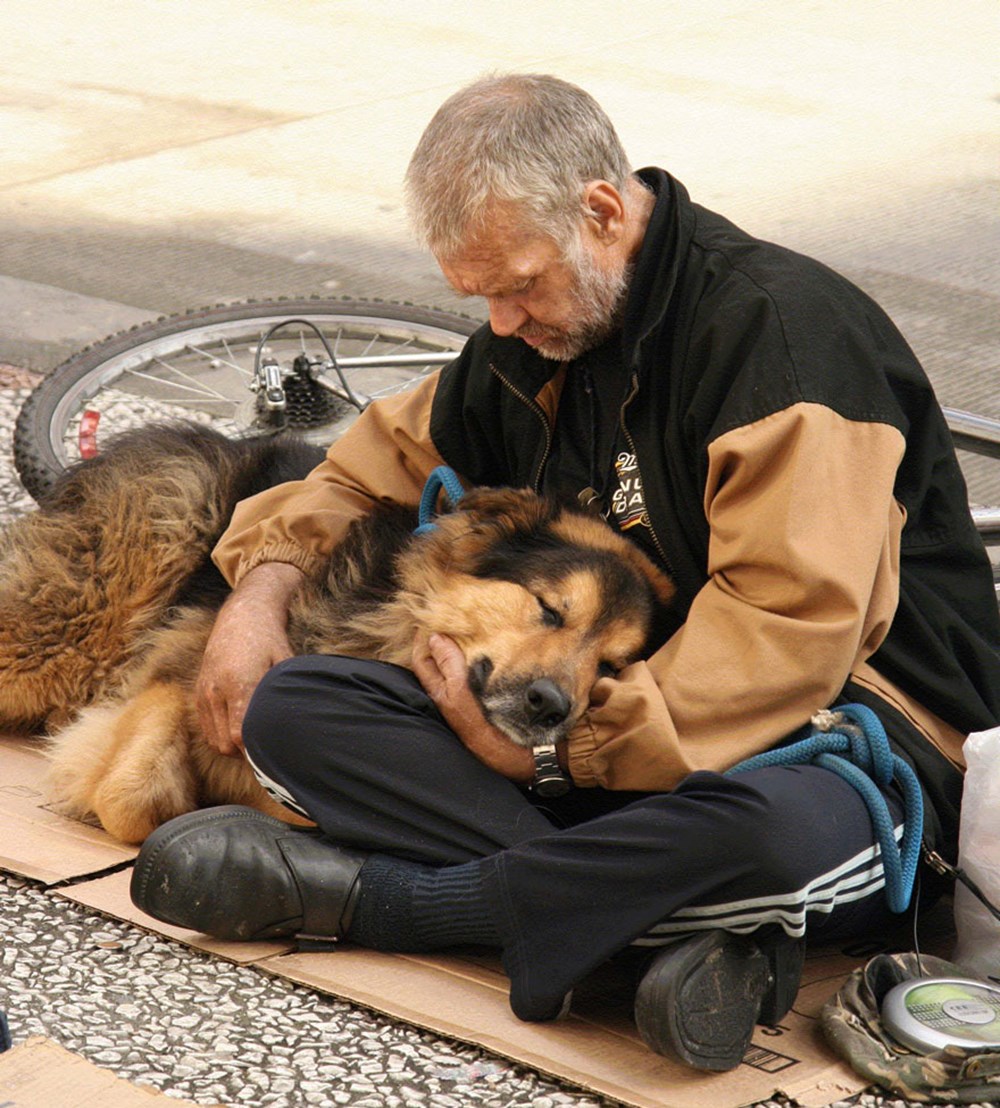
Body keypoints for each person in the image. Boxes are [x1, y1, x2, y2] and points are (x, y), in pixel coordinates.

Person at [130, 74, 1000, 1072]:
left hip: (844, 743)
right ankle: (651, 937)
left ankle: (390, 901)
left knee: (759, 841)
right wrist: (259, 590)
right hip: (617, 746)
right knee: (296, 707)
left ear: (601, 211)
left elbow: (788, 634)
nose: (501, 319)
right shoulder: (537, 340)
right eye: (480, 295)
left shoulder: (781, 339)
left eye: (520, 283)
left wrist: (558, 761)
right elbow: (359, 470)